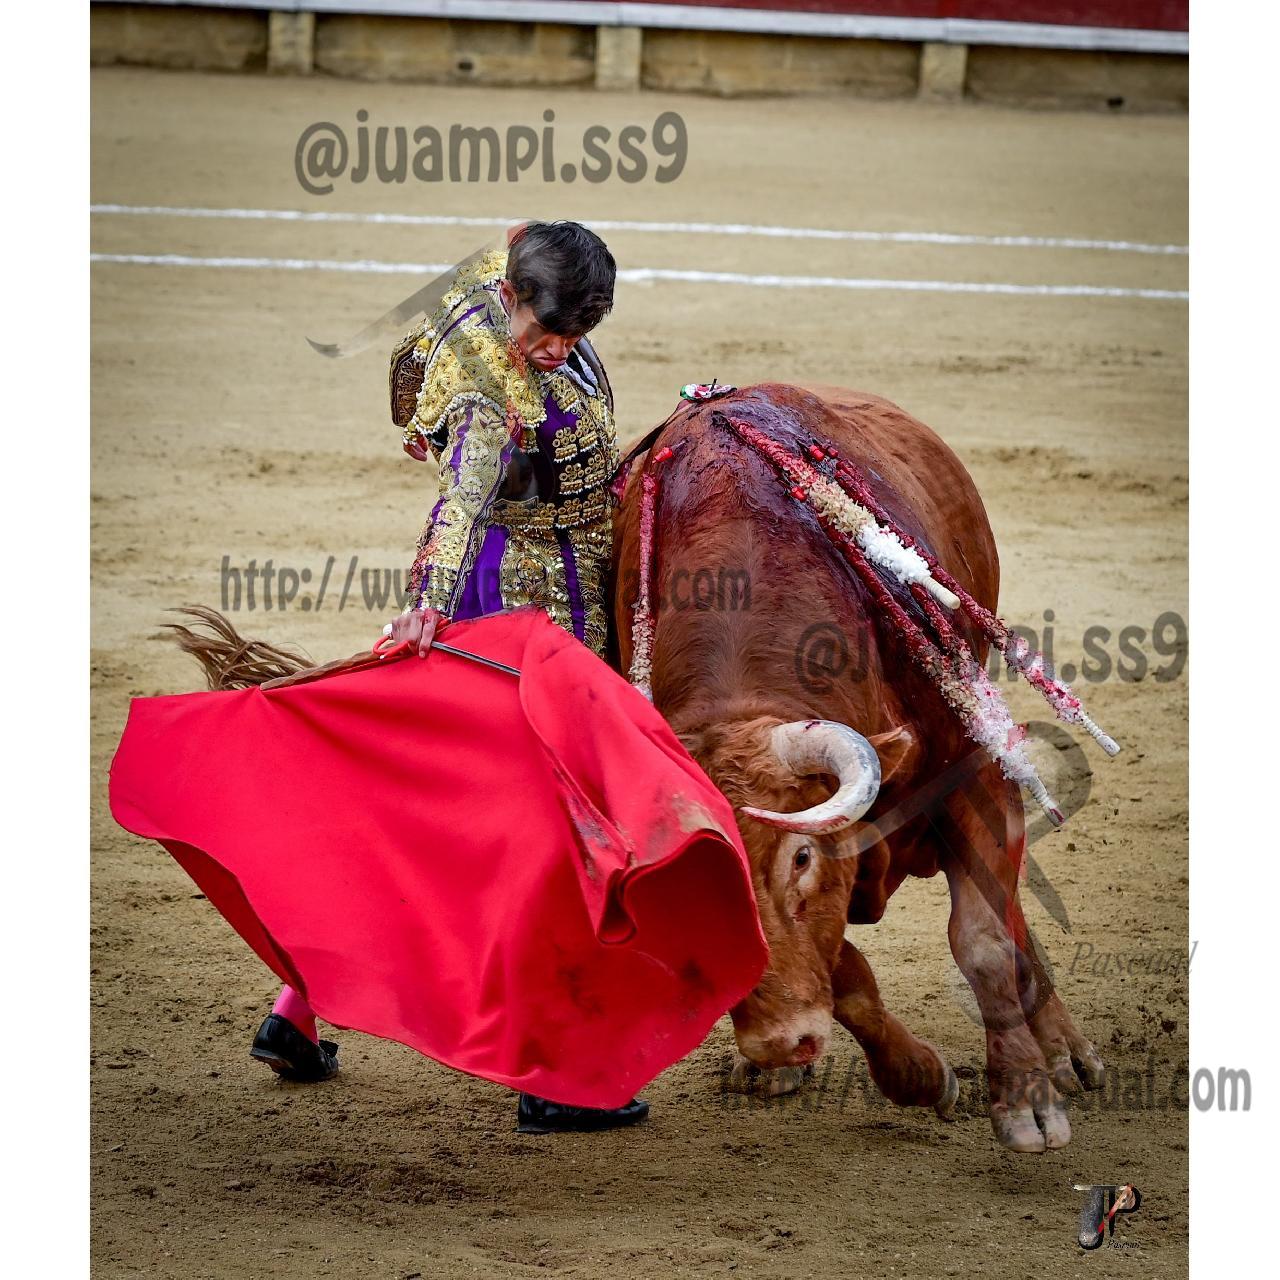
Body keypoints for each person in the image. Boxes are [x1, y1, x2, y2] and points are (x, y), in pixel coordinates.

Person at [250, 220, 648, 1134]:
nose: (559, 350)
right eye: (546, 330)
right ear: (511, 298)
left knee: (424, 819)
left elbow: (451, 313)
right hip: (524, 605)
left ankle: (296, 1008)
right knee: (542, 831)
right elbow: (462, 496)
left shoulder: (502, 280)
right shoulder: (485, 387)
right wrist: (425, 605)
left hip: (538, 583)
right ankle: (549, 1075)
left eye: (577, 335)